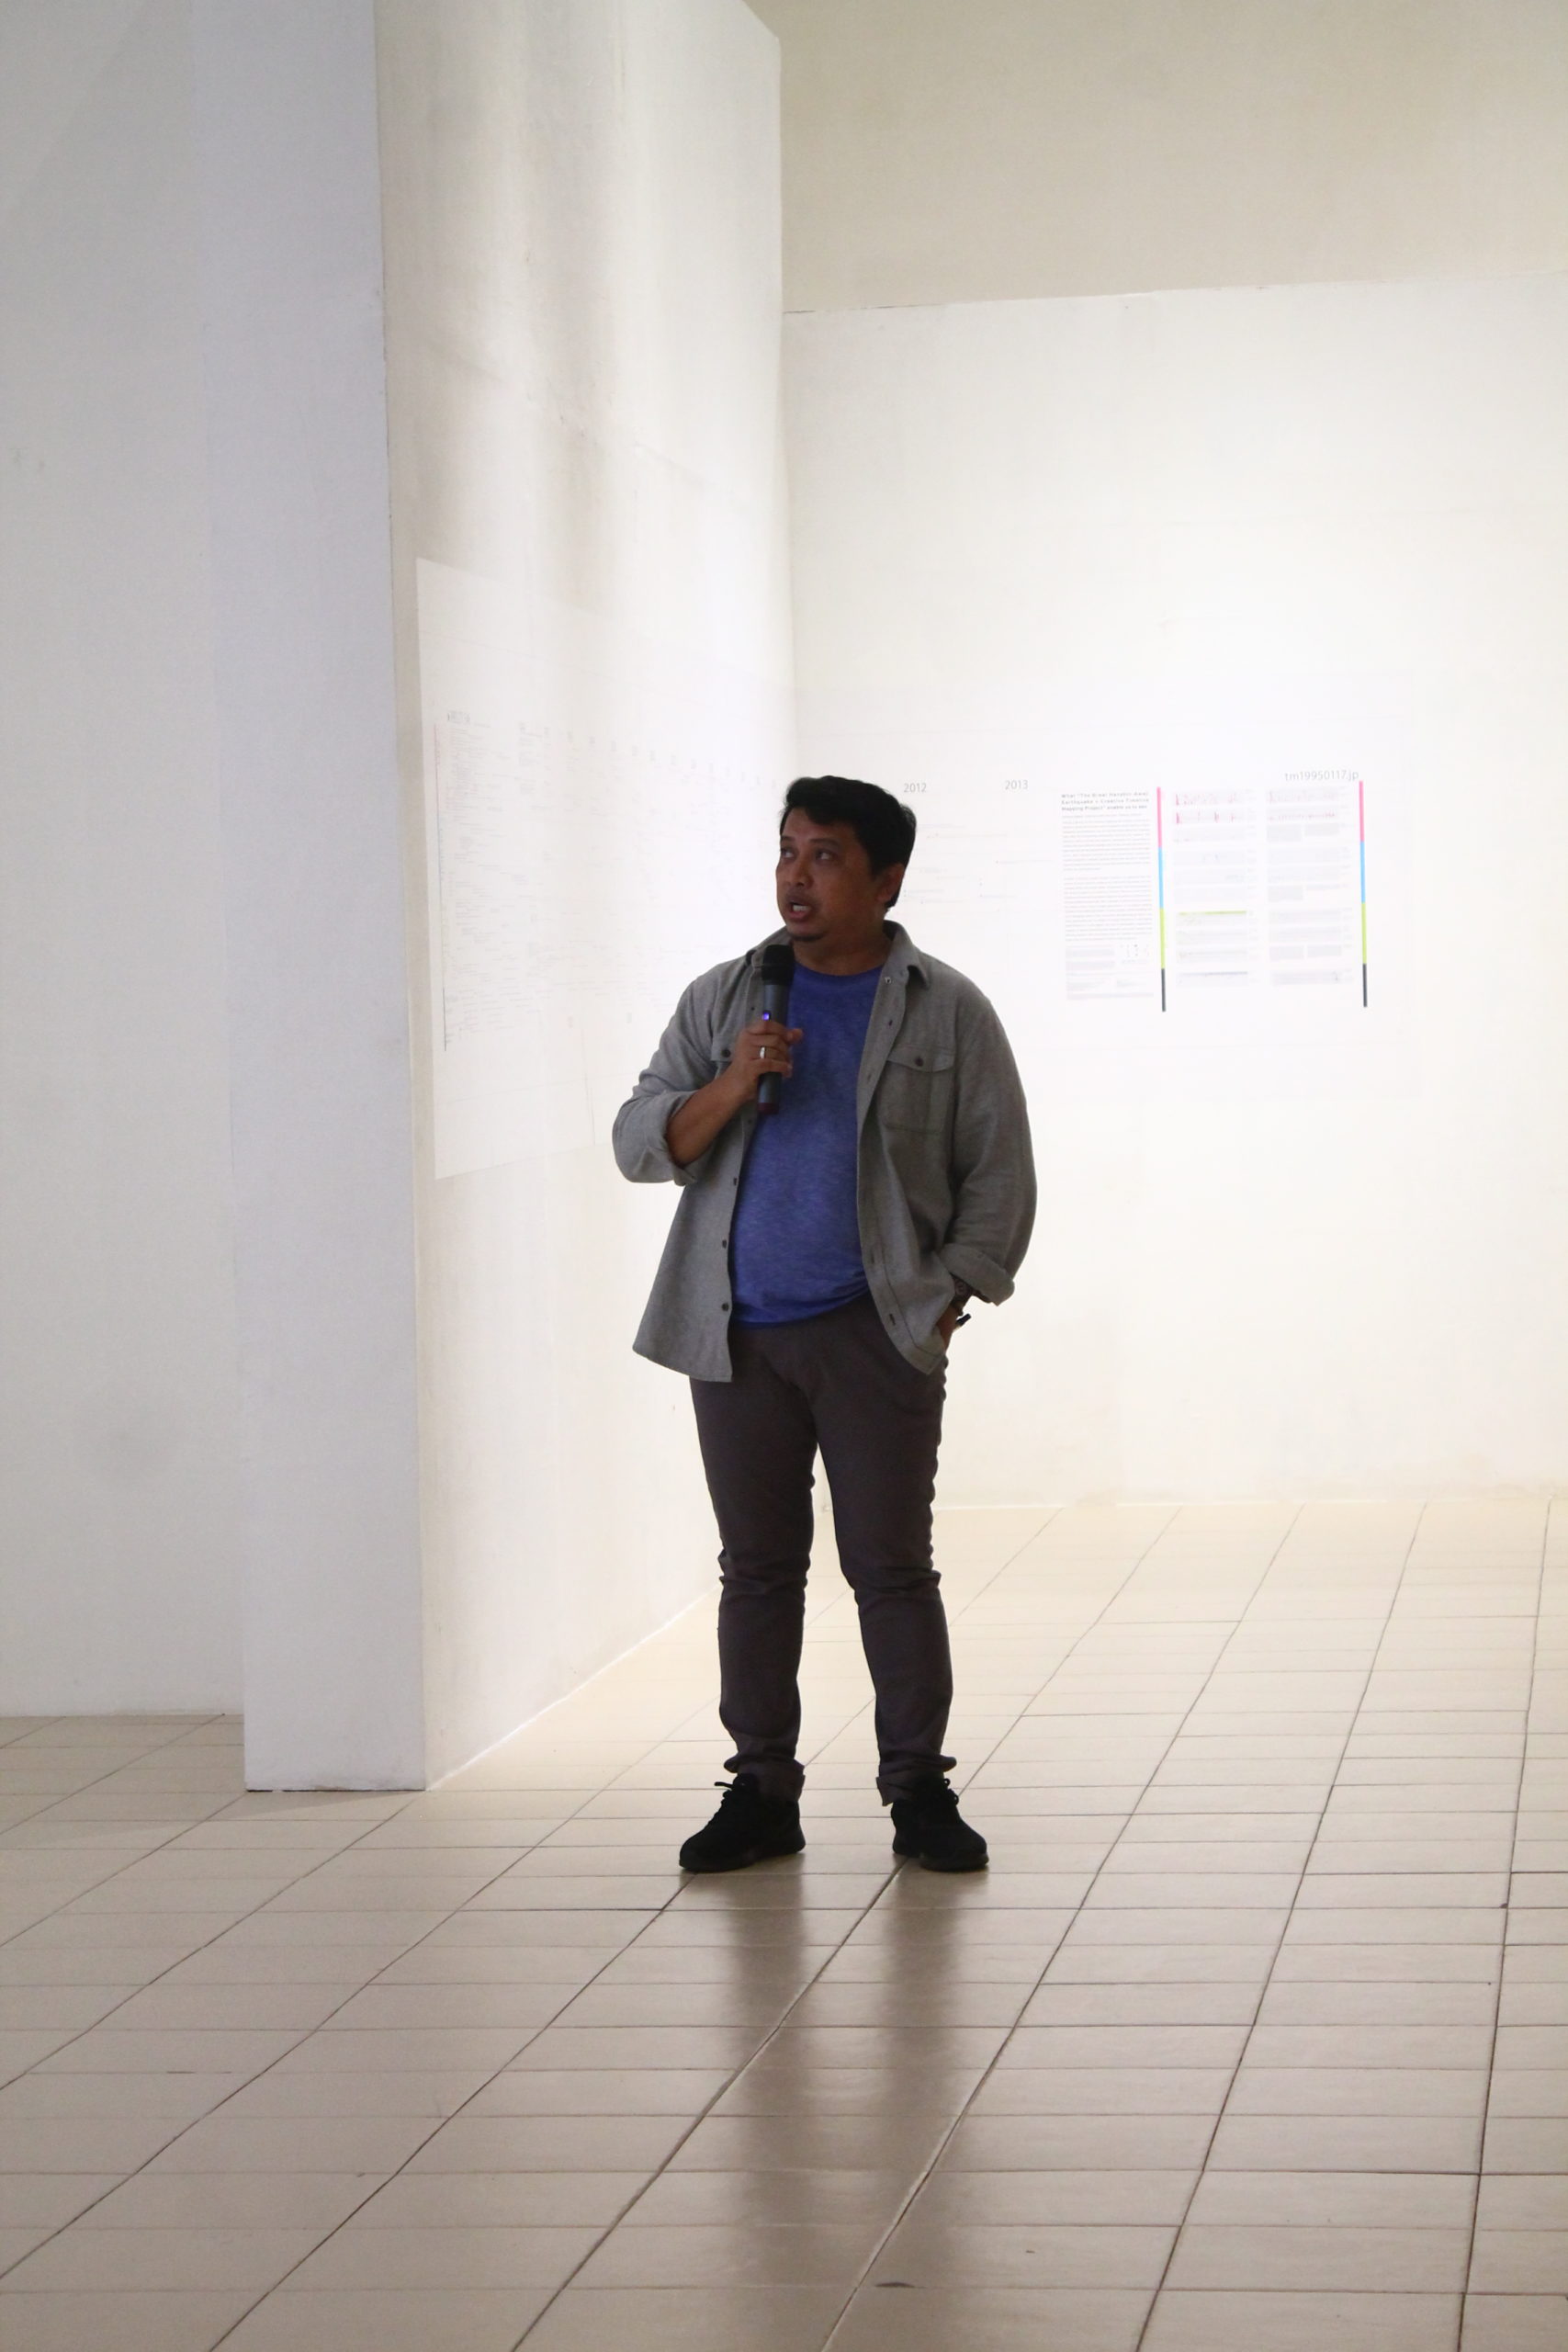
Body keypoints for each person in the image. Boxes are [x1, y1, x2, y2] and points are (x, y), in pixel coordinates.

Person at [613, 776, 1035, 1872]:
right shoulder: (725, 998)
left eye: (827, 855)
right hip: (734, 1335)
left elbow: (999, 1173)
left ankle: (918, 1791)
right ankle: (761, 1789)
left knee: (890, 1568)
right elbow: (639, 1140)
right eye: (788, 851)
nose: (797, 876)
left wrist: (942, 1301)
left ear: (887, 879)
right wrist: (733, 1081)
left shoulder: (948, 1009)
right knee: (757, 1570)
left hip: (873, 1332)